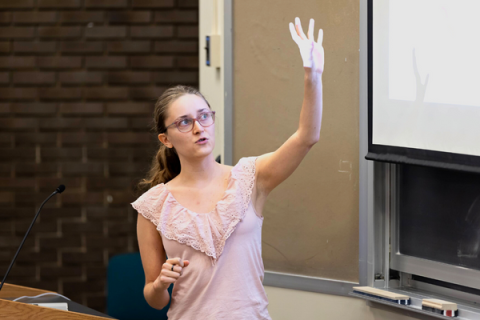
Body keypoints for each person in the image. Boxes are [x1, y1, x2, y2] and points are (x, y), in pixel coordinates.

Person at [131, 17, 324, 319]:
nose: (198, 127)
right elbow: (154, 299)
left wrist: (312, 75)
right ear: (165, 139)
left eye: (204, 116)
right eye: (184, 122)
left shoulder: (250, 177)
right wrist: (160, 284)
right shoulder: (153, 207)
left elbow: (307, 137)